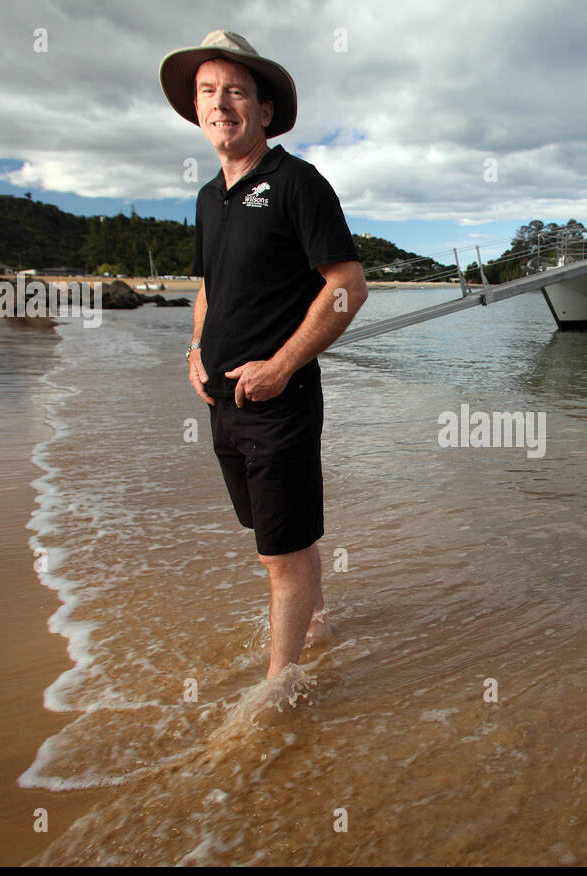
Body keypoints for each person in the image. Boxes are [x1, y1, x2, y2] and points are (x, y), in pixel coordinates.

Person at [160, 30, 367, 698]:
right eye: (208, 92)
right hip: (225, 406)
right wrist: (196, 352)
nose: (221, 104)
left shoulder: (297, 183)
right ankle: (318, 627)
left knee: (278, 553)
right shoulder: (206, 198)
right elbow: (209, 288)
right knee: (279, 537)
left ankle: (279, 689)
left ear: (265, 110)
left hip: (280, 403)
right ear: (197, 110)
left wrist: (280, 365)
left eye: (237, 92)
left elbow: (347, 286)